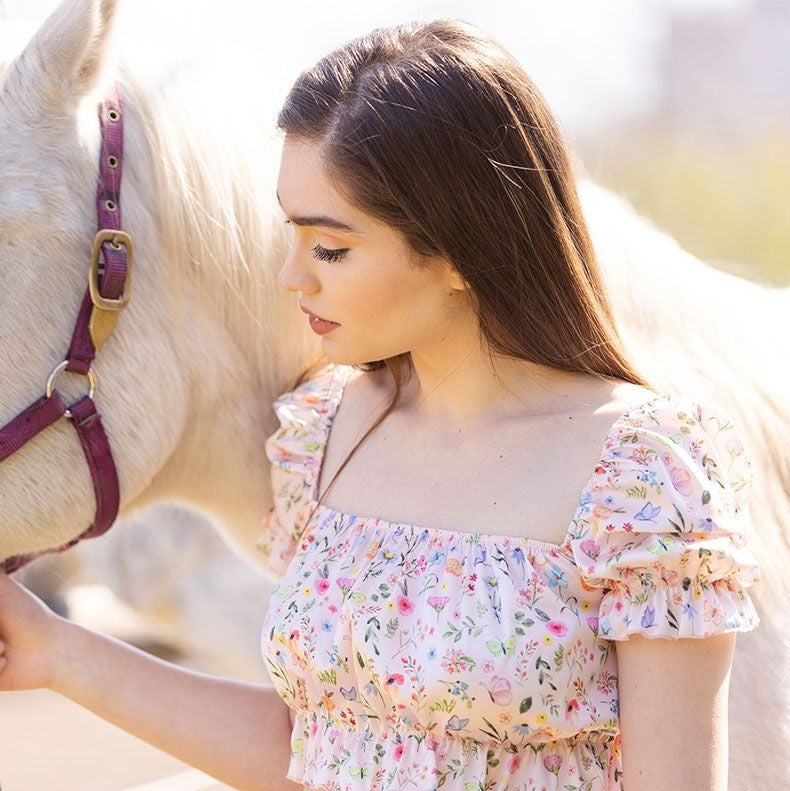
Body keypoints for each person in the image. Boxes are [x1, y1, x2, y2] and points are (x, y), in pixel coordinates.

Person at [0, 18, 759, 791]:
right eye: (290, 232)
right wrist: (58, 651)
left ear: (467, 248)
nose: (292, 276)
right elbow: (316, 748)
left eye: (331, 247)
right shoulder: (323, 436)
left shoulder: (641, 477)